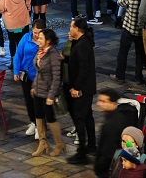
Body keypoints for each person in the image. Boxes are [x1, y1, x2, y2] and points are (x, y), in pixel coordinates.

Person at [65, 17, 97, 165]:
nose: (69, 29)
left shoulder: (83, 45)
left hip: (83, 89)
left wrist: (77, 88)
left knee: (79, 118)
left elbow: (84, 68)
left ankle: (82, 152)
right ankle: (91, 146)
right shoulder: (81, 42)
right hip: (87, 88)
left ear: (77, 29)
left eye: (71, 27)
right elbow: (75, 59)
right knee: (88, 116)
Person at [30, 27, 66, 158]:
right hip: (38, 90)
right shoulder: (40, 52)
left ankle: (59, 144)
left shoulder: (54, 55)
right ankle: (43, 143)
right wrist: (34, 86)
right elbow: (38, 72)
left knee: (50, 118)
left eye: (41, 38)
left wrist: (51, 95)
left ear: (48, 41)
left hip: (47, 92)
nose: (38, 39)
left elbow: (57, 78)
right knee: (38, 116)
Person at [94, 87, 140, 177]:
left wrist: (100, 167)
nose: (98, 104)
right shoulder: (116, 117)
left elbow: (108, 150)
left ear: (113, 103)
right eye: (99, 100)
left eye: (103, 101)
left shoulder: (112, 123)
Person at [111, 0, 146, 84]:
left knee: (123, 52)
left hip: (128, 28)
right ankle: (138, 77)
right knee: (140, 55)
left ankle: (120, 75)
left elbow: (119, 2)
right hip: (141, 31)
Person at [14, 20, 44, 139]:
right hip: (25, 75)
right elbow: (18, 55)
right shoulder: (26, 38)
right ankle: (33, 122)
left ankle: (40, 126)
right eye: (35, 32)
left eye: (39, 32)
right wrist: (16, 71)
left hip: (39, 77)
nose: (36, 35)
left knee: (38, 103)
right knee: (28, 101)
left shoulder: (45, 41)